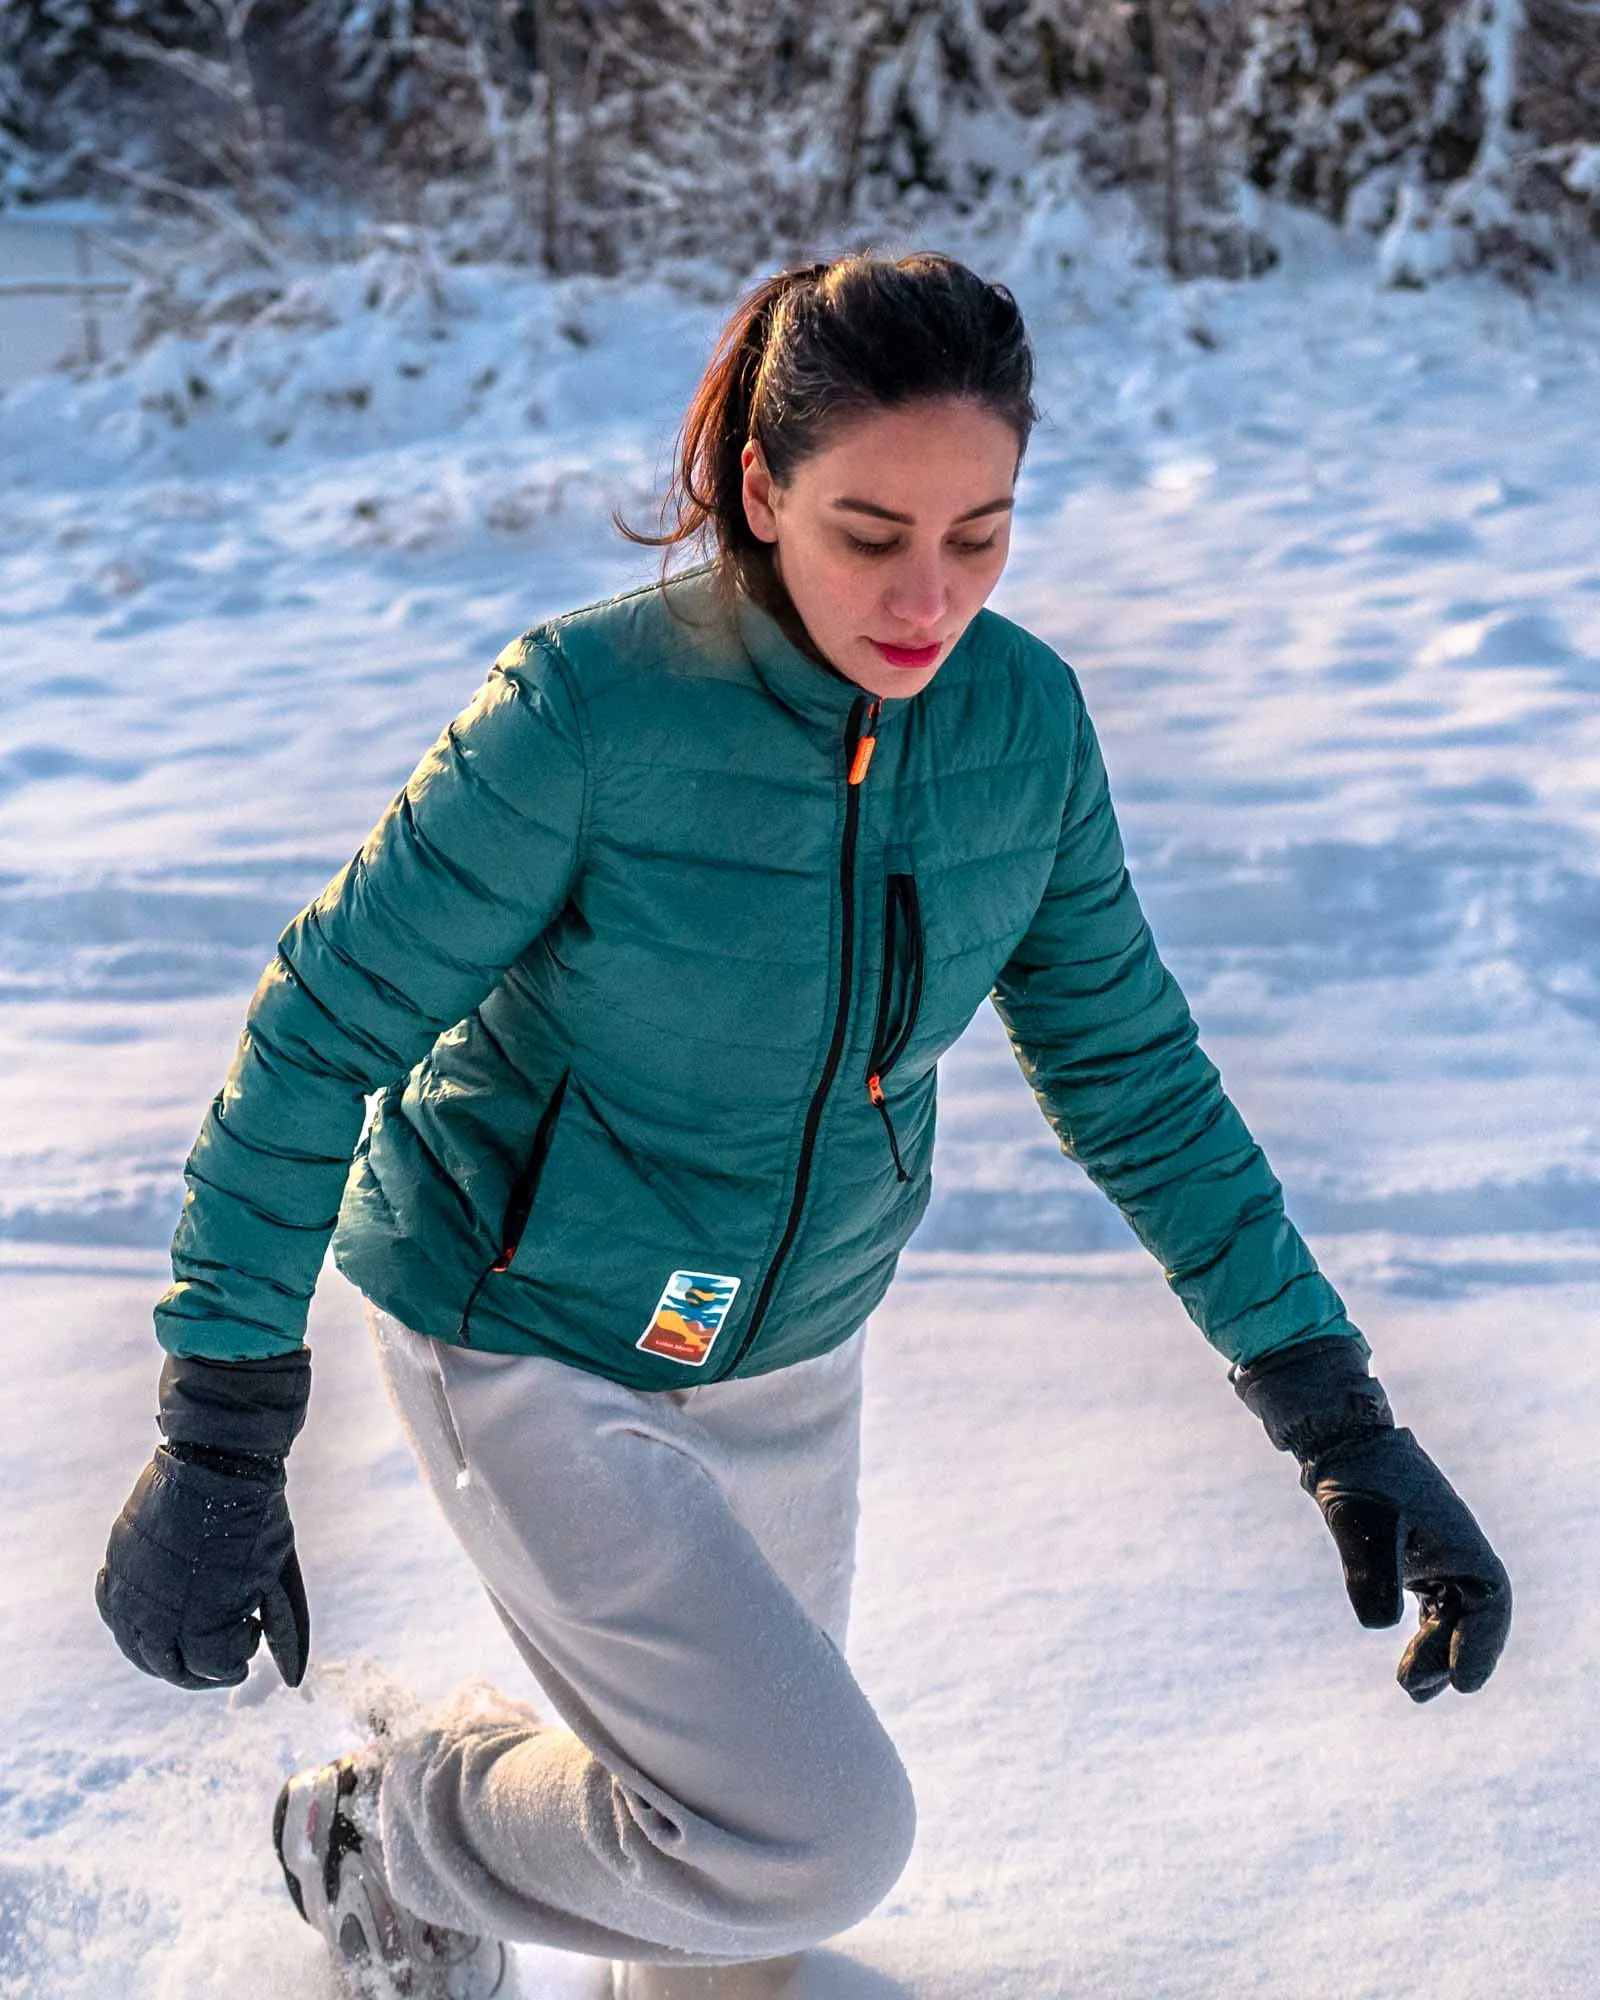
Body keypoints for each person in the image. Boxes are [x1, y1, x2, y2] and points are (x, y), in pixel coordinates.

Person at [95, 253, 1512, 2000]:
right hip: (525, 1331)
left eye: (980, 533)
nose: (930, 597)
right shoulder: (584, 717)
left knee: (729, 1937)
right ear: (761, 492)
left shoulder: (1022, 726)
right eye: (870, 532)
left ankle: (445, 1858)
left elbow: (1135, 1076)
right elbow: (318, 1034)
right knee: (799, 1843)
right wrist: (224, 1426)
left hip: (789, 1347)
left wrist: (1336, 1414)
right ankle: (385, 1833)